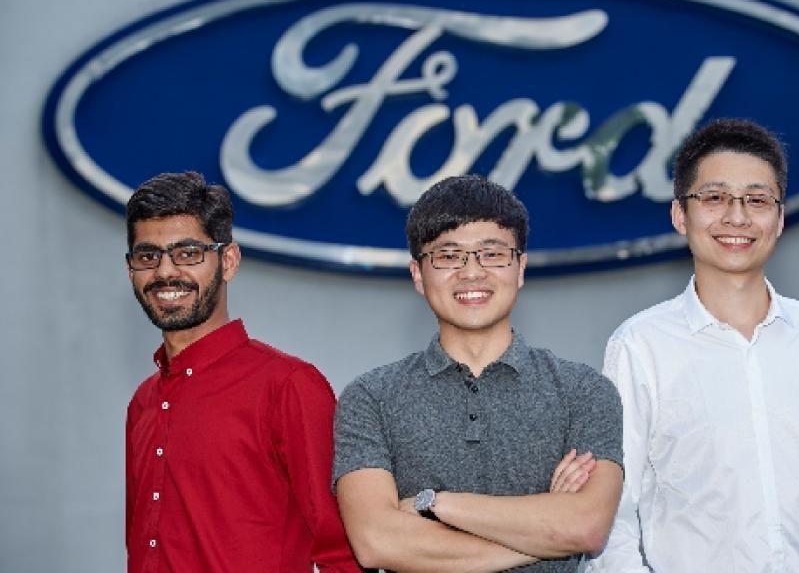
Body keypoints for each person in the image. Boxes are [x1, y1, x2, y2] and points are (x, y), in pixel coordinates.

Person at [587, 119, 799, 572]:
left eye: (757, 200)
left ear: (779, 218)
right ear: (680, 215)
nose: (737, 217)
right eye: (714, 197)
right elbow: (613, 508)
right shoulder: (641, 346)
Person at [333, 175, 624, 571]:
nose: (471, 272)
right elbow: (376, 541)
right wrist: (548, 534)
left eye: (492, 254)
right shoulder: (371, 397)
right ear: (418, 275)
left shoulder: (584, 392)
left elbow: (587, 527)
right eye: (448, 256)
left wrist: (433, 503)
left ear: (520, 267)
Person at [124, 172, 359, 572]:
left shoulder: (287, 387)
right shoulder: (143, 402)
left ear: (228, 261)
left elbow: (344, 553)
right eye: (148, 256)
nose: (165, 272)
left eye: (187, 253)